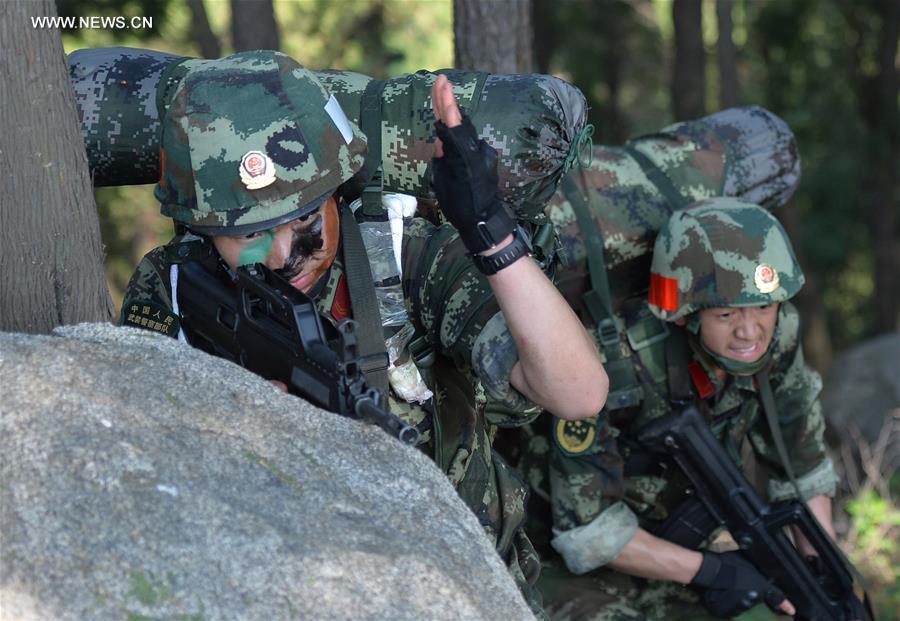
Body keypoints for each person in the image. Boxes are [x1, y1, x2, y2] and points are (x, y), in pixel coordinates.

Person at [118, 51, 608, 613]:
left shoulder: (401, 253)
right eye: (245, 232)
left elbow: (579, 392)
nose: (282, 255)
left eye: (302, 219)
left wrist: (490, 232)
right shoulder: (176, 284)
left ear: (336, 188)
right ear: (198, 226)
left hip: (460, 588)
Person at [521, 198, 841, 620]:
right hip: (562, 563)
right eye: (726, 314)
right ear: (684, 315)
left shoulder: (778, 337)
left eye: (764, 306)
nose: (750, 332)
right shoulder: (609, 363)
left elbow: (802, 459)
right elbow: (588, 532)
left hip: (679, 553)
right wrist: (718, 572)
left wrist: (821, 566)